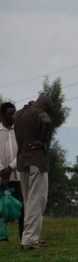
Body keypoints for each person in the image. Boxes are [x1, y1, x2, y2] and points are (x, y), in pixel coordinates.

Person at [14, 95, 52, 250]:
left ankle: (29, 237)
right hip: (36, 161)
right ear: (44, 105)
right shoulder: (38, 112)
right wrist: (43, 139)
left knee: (28, 200)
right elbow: (46, 121)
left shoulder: (19, 113)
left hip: (22, 161)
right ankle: (30, 240)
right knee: (37, 201)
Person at [0, 102, 24, 242]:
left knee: (21, 205)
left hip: (17, 174)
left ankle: (23, 235)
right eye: (10, 114)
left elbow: (22, 151)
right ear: (3, 115)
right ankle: (3, 236)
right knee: (2, 206)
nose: (13, 116)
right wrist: (3, 172)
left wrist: (10, 167)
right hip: (2, 175)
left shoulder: (18, 129)